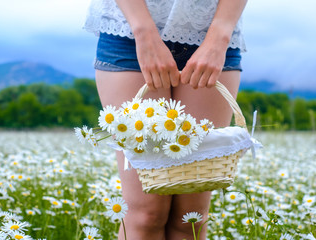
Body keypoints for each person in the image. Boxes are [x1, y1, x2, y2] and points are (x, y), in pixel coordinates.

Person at [84, 0, 247, 239]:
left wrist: (219, 37)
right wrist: (144, 33)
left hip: (214, 36)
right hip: (128, 32)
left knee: (191, 216)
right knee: (145, 214)